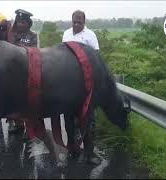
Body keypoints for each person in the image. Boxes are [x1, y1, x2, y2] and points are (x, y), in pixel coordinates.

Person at [62, 10, 100, 165]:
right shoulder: (66, 34)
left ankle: (89, 152)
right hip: (68, 83)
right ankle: (72, 148)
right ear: (71, 21)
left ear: (84, 22)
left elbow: (96, 58)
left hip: (86, 84)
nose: (76, 24)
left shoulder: (90, 35)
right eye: (74, 22)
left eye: (79, 22)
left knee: (88, 118)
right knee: (68, 117)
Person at [7, 9, 38, 134]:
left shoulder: (33, 36)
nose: (20, 25)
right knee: (14, 100)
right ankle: (18, 124)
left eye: (23, 22)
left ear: (28, 23)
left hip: (27, 73)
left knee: (27, 101)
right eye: (18, 22)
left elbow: (34, 53)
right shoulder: (12, 35)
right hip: (13, 73)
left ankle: (29, 129)